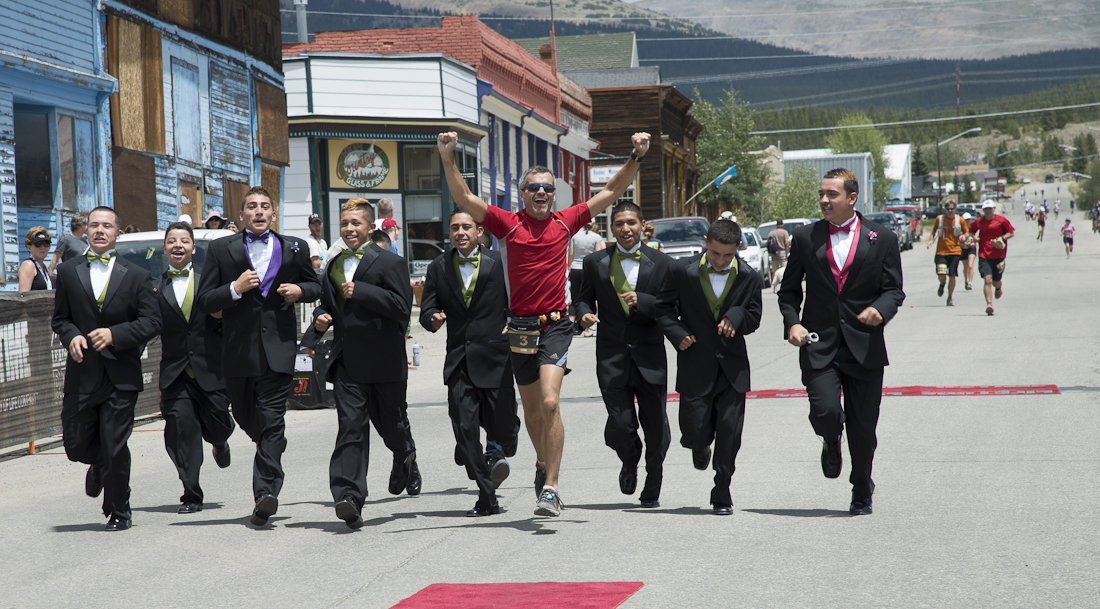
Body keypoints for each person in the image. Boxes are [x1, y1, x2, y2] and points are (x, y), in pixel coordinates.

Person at [438, 129, 651, 517]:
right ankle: (541, 463)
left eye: (547, 188)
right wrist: (448, 156)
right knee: (533, 413)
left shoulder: (566, 221)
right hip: (519, 328)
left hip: (555, 324)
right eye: (533, 187)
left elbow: (610, 192)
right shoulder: (507, 223)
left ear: (555, 195)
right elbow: (464, 198)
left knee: (551, 403)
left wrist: (635, 157)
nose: (540, 193)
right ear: (522, 193)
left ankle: (551, 487)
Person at [777, 168, 905, 516]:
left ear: (852, 198)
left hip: (864, 347)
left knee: (863, 428)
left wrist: (881, 310)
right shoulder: (805, 238)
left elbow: (894, 290)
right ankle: (831, 439)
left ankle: (861, 489)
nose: (823, 200)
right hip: (819, 344)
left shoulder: (883, 238)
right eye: (821, 194)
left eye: (831, 195)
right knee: (825, 411)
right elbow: (788, 291)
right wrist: (792, 323)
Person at [196, 186, 321, 527]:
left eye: (265, 206)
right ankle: (270, 445)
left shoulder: (295, 247)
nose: (259, 212)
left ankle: (265, 494)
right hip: (238, 354)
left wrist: (300, 291)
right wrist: (234, 289)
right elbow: (205, 301)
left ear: (274, 213)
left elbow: (316, 286)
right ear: (242, 215)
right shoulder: (222, 249)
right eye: (252, 207)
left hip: (279, 352)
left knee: (272, 419)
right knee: (251, 419)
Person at [300, 198, 419, 529]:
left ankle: (405, 453)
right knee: (351, 427)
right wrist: (315, 331)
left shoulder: (390, 263)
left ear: (370, 227)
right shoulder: (333, 264)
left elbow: (400, 307)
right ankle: (349, 497)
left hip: (384, 362)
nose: (349, 229)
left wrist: (362, 291)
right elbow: (328, 306)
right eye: (344, 223)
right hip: (348, 362)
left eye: (356, 223)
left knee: (390, 425)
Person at [51, 207, 161, 531]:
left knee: (115, 443)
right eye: (94, 226)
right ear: (85, 231)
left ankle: (119, 510)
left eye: (107, 226)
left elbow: (152, 322)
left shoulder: (138, 275)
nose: (100, 231)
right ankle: (96, 463)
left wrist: (115, 334)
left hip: (120, 374)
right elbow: (61, 319)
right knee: (75, 445)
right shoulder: (68, 272)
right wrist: (71, 336)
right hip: (82, 373)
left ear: (118, 233)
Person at [575, 202, 678, 509]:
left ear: (642, 224)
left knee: (656, 429)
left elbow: (671, 308)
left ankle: (653, 486)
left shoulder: (662, 263)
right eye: (619, 223)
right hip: (611, 356)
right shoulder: (595, 262)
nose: (625, 229)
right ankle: (630, 458)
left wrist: (643, 301)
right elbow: (582, 300)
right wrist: (583, 315)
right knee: (620, 426)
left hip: (649, 357)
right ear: (612, 227)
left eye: (631, 222)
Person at [419, 210, 520, 517]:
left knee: (502, 428)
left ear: (479, 232)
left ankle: (508, 434)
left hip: (496, 358)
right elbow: (427, 309)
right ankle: (486, 496)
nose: (460, 232)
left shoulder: (499, 262)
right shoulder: (438, 266)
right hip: (459, 360)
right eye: (454, 228)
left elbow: (516, 301)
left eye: (466, 227)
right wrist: (432, 319)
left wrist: (513, 321)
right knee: (464, 429)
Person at [155, 222, 235, 514]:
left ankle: (220, 440)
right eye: (172, 241)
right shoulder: (154, 287)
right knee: (181, 428)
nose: (178, 245)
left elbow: (229, 321)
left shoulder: (209, 281)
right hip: (175, 373)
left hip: (211, 368)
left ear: (193, 248)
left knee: (217, 422)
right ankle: (191, 492)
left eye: (184, 241)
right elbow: (146, 326)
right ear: (165, 248)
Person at [969, 199, 1015, 316]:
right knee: (987, 280)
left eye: (990, 209)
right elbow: (971, 231)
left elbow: (1011, 232)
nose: (988, 211)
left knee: (995, 282)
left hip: (999, 255)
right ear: (983, 210)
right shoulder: (979, 221)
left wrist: (1002, 238)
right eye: (985, 209)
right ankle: (989, 304)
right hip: (984, 255)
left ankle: (998, 288)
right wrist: (974, 237)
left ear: (994, 209)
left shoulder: (1001, 220)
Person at [926, 201, 969, 306]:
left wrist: (964, 236)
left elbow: (967, 232)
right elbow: (934, 230)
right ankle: (942, 284)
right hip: (941, 251)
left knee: (952, 275)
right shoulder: (940, 219)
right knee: (941, 273)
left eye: (952, 209)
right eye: (948, 209)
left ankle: (950, 297)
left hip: (955, 251)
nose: (950, 211)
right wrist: (931, 240)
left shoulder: (960, 220)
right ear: (945, 209)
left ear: (955, 209)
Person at [569, 221, 606, 327]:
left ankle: (571, 326)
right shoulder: (596, 237)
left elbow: (571, 253)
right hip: (589, 269)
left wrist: (569, 266)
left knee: (575, 297)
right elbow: (597, 254)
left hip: (576, 268)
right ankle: (587, 328)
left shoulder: (575, 236)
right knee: (589, 297)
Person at [19, 227, 54, 292]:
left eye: (46, 244)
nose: (42, 247)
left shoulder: (44, 266)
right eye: (38, 244)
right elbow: (23, 296)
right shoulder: (28, 265)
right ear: (29, 247)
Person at [768, 219, 790, 287]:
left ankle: (774, 285)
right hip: (782, 252)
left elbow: (768, 243)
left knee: (774, 269)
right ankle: (786, 283)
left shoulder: (771, 233)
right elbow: (787, 242)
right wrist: (787, 252)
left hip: (774, 253)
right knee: (785, 268)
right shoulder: (784, 232)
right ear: (782, 225)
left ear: (776, 225)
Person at [959, 213, 977, 290]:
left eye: (968, 219)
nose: (967, 221)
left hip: (971, 248)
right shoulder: (960, 228)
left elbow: (974, 234)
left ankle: (970, 282)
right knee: (965, 267)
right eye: (965, 220)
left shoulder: (972, 227)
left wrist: (975, 237)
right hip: (963, 249)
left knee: (970, 265)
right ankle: (966, 280)